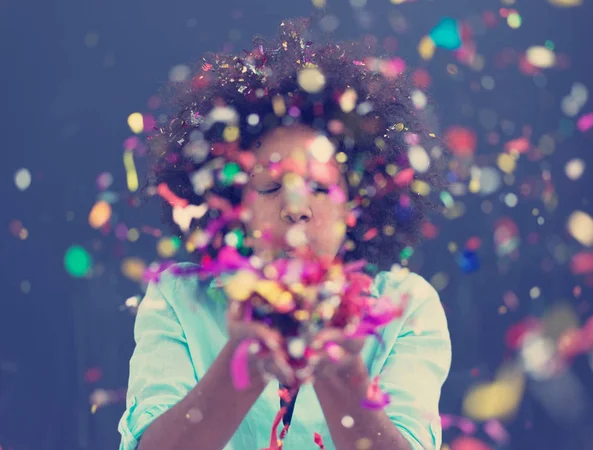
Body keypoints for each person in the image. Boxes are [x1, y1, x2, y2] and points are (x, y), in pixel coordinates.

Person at [118, 17, 452, 450]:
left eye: (319, 187)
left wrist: (344, 382)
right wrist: (241, 366)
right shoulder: (178, 296)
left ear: (357, 203)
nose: (296, 210)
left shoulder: (407, 305)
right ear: (233, 203)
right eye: (272, 186)